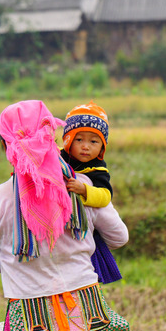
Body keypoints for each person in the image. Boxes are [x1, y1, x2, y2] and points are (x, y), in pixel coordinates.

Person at [0, 100, 161, 331]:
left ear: (6, 144)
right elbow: (119, 237)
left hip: (31, 322)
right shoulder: (81, 186)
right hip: (86, 309)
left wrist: (14, 258)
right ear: (54, 138)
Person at [60, 101, 122, 284]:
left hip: (82, 230)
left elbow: (105, 196)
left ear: (102, 147)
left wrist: (85, 190)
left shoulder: (98, 170)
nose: (85, 146)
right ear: (67, 140)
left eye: (93, 141)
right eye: (79, 140)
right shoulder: (58, 157)